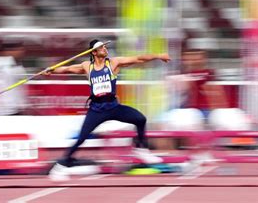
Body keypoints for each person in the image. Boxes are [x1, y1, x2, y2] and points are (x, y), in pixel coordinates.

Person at [46, 39, 170, 180]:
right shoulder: (87, 66)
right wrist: (51, 70)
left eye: (105, 47)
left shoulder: (113, 63)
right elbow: (67, 69)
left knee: (140, 119)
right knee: (81, 139)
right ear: (93, 52)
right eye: (101, 47)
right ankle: (60, 167)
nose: (105, 49)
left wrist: (158, 55)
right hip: (96, 110)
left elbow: (138, 59)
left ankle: (141, 150)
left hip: (113, 107)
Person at [0, 42, 27, 116]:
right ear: (8, 51)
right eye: (18, 50)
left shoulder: (16, 64)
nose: (22, 52)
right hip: (4, 107)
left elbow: (23, 78)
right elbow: (18, 75)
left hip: (16, 105)